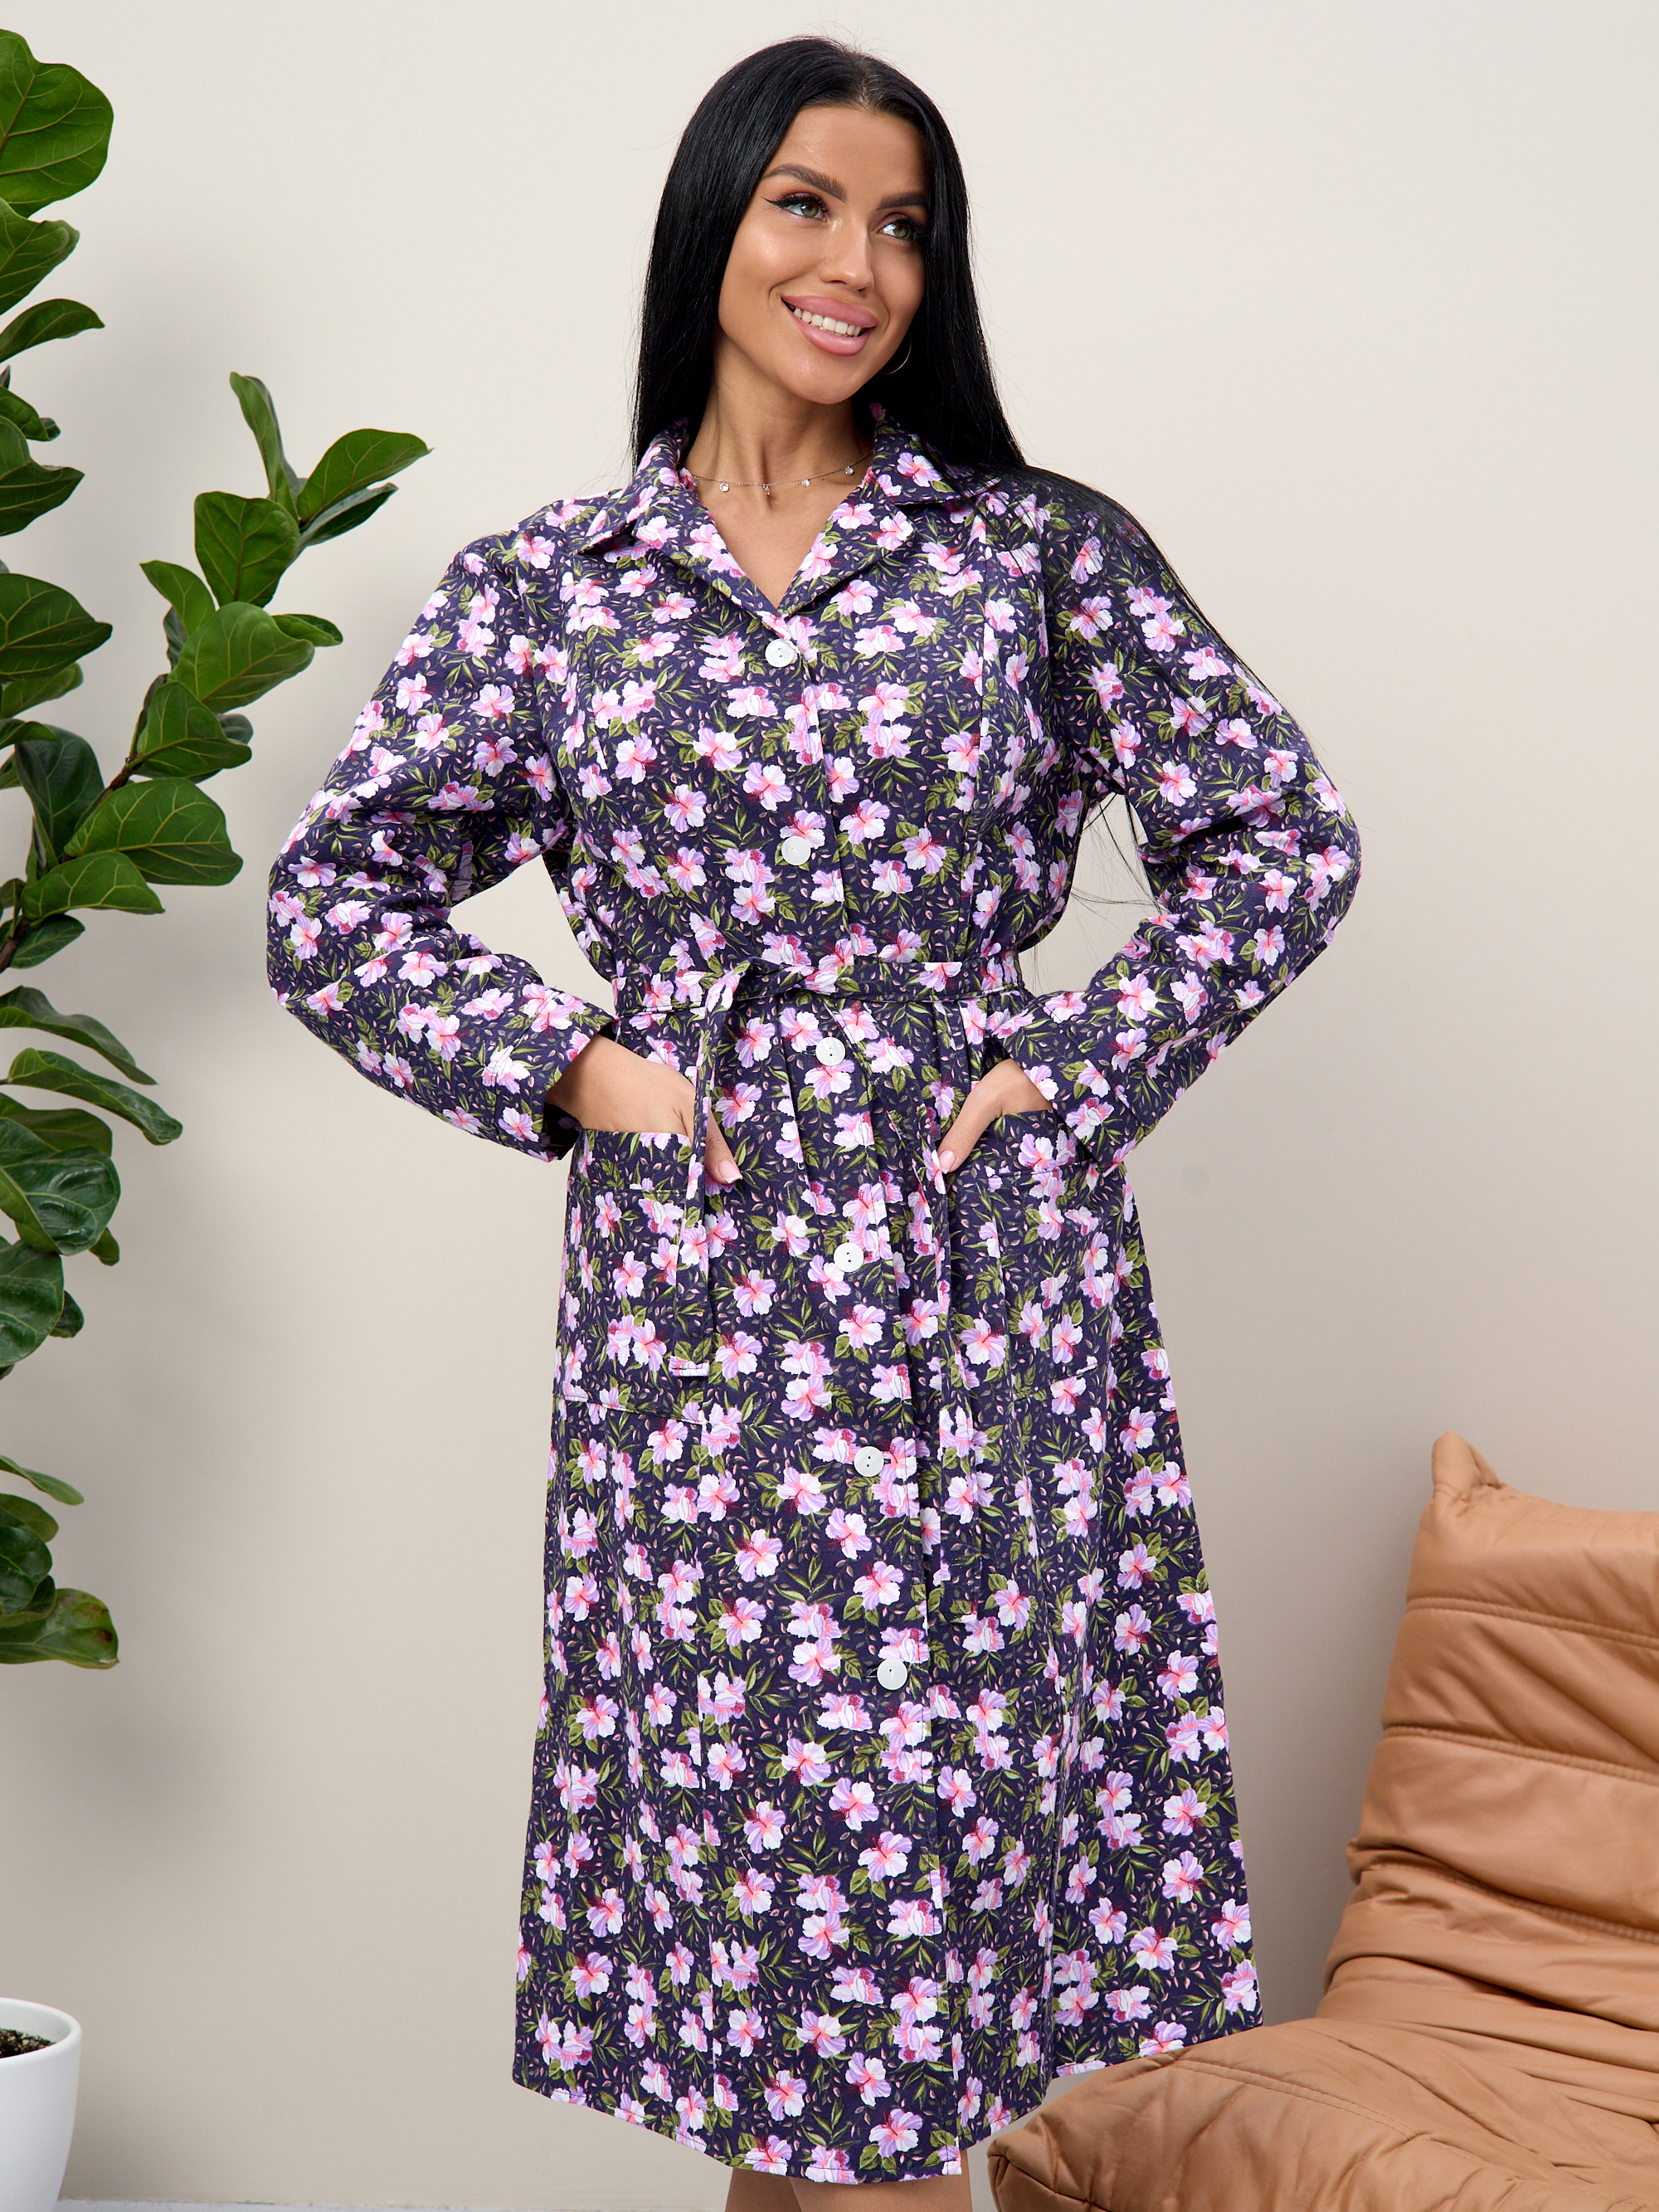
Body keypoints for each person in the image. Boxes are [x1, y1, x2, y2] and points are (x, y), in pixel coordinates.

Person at [265, 33, 1361, 2210]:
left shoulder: (1033, 559)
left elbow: (1280, 833)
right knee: (788, 2010)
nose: (857, 264)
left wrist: (1083, 1065)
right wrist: (584, 1070)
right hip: (697, 1321)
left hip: (976, 1294)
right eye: (806, 204)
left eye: (904, 226)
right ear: (712, 223)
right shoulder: (548, 587)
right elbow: (332, 901)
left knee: (903, 1987)